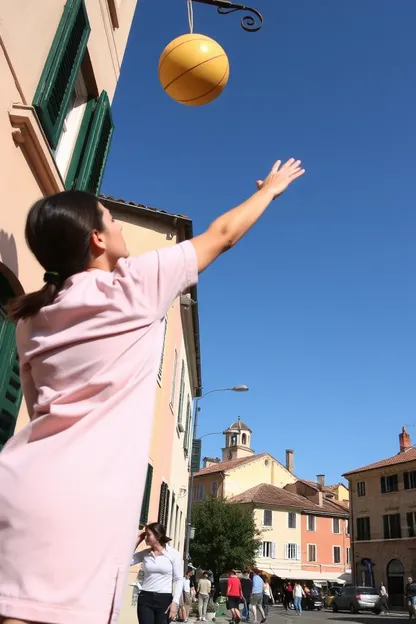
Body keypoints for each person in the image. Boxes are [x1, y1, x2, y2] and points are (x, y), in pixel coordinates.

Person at [0, 159, 305, 624]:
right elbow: (222, 234)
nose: (119, 223)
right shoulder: (135, 286)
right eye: (110, 218)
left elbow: (39, 407)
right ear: (96, 239)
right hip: (79, 506)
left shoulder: (30, 320)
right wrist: (270, 191)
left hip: (21, 486)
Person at [132, 523, 183, 624]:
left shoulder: (173, 554)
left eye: (148, 535)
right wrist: (138, 539)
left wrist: (175, 602)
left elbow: (178, 579)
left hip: (164, 599)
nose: (146, 537)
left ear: (158, 535)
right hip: (145, 598)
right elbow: (126, 560)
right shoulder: (145, 554)